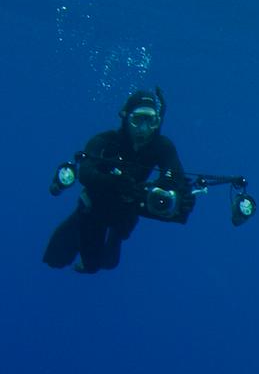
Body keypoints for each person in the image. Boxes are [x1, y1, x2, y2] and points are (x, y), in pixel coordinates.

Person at [43, 87, 194, 274]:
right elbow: (85, 172)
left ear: (158, 121)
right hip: (95, 206)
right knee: (65, 260)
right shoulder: (105, 141)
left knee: (107, 262)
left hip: (127, 208)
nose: (144, 129)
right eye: (138, 119)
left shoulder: (162, 146)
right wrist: (113, 182)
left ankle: (114, 236)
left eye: (151, 121)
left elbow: (174, 176)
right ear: (125, 117)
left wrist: (178, 197)